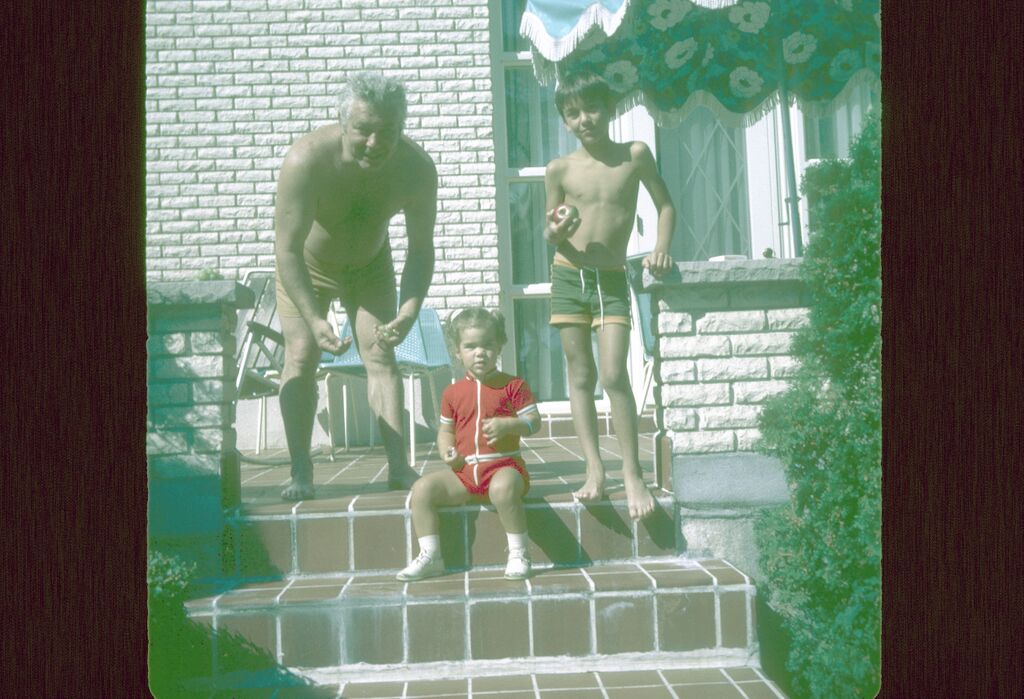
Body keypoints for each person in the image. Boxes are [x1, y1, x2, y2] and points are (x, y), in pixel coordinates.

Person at [273, 71, 437, 500]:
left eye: (388, 131)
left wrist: (409, 310)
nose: (375, 142)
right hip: (307, 266)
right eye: (363, 129)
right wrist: (314, 318)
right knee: (302, 353)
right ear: (343, 122)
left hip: (370, 265)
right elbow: (286, 250)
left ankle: (399, 467)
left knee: (381, 353)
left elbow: (421, 250)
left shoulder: (417, 169)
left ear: (401, 127)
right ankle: (301, 471)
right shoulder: (306, 161)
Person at [543, 71, 677, 520]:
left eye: (592, 108)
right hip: (568, 277)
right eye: (573, 113)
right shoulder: (559, 169)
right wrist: (557, 230)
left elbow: (665, 205)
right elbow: (548, 230)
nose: (585, 119)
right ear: (565, 120)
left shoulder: (634, 155)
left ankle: (632, 473)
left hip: (612, 279)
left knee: (614, 373)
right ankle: (594, 469)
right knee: (581, 375)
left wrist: (660, 247)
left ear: (610, 108)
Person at [396, 308, 541, 581]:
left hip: (504, 468)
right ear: (457, 352)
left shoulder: (513, 386)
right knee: (422, 489)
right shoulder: (452, 392)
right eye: (471, 346)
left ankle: (519, 553)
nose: (480, 352)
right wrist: (446, 451)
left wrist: (510, 425)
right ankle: (431, 556)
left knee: (503, 488)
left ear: (499, 346)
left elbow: (534, 422)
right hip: (465, 473)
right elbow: (445, 430)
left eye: (487, 345)